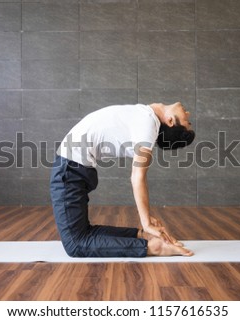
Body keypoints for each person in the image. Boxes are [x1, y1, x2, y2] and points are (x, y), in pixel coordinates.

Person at [50, 102, 195, 257]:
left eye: (187, 121)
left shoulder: (147, 125)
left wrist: (146, 222)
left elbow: (138, 176)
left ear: (171, 121)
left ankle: (154, 248)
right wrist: (145, 229)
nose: (188, 114)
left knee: (75, 244)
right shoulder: (146, 117)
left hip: (70, 169)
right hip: (75, 167)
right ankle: (143, 237)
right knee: (83, 233)